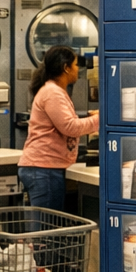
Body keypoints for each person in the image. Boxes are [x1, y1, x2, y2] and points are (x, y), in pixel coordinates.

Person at [18, 45, 99, 210]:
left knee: (43, 227)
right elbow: (70, 126)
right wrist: (101, 119)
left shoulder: (53, 91)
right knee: (46, 228)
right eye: (75, 65)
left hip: (43, 169)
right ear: (66, 68)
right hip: (43, 170)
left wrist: (89, 114)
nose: (77, 69)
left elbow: (61, 118)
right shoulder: (53, 93)